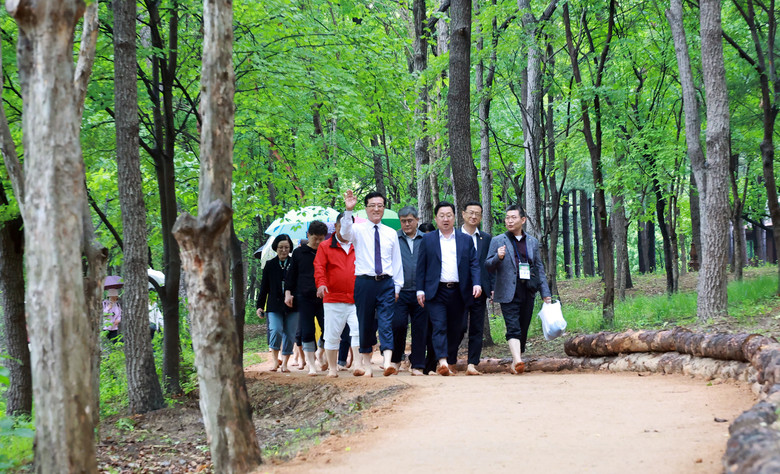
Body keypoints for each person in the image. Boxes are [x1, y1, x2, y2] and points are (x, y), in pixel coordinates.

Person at [341, 190, 404, 377]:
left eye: (380, 205)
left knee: (386, 322)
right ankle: (367, 365)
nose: (376, 209)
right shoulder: (357, 229)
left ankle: (387, 362)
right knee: (365, 323)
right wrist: (348, 211)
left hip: (386, 283)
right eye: (372, 206)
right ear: (366, 208)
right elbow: (344, 233)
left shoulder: (391, 233)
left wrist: (397, 286)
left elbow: (396, 261)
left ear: (384, 208)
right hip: (364, 282)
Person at [416, 201, 481, 376]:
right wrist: (420, 290)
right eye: (442, 216)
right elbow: (421, 267)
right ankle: (442, 361)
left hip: (459, 291)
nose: (445, 219)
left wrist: (476, 283)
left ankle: (450, 360)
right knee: (439, 326)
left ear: (454, 217)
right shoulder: (428, 240)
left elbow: (474, 264)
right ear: (436, 218)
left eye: (449, 215)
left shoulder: (465, 239)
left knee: (458, 328)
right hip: (436, 291)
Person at [486, 205, 552, 374]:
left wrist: (545, 293)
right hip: (507, 290)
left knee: (523, 327)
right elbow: (488, 265)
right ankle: (518, 360)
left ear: (522, 220)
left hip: (527, 289)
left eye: (513, 217)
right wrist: (498, 257)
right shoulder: (498, 240)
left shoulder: (532, 242)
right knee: (513, 326)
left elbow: (539, 268)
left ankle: (516, 360)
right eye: (507, 217)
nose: (509, 221)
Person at [313, 213, 363, 378]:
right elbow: (319, 267)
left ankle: (358, 364)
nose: (345, 230)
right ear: (336, 226)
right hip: (333, 298)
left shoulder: (359, 244)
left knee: (357, 330)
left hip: (356, 297)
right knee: (332, 335)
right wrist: (321, 284)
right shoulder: (325, 246)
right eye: (341, 226)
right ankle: (333, 368)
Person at [285, 221, 328, 376]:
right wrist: (288, 293)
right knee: (307, 330)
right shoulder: (299, 253)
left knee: (329, 329)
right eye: (315, 238)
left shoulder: (326, 251)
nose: (317, 242)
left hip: (324, 297)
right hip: (304, 296)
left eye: (321, 239)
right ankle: (311, 365)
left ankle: (320, 352)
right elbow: (291, 275)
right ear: (308, 235)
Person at [457, 201, 493, 375]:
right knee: (459, 327)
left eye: (477, 214)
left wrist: (491, 286)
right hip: (458, 290)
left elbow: (490, 264)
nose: (473, 216)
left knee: (477, 328)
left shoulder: (486, 238)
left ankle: (472, 363)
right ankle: (449, 360)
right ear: (463, 214)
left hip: (480, 290)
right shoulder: (454, 236)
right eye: (470, 212)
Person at [390, 206, 427, 376]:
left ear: (417, 220)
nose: (407, 224)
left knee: (420, 328)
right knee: (398, 325)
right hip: (399, 290)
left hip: (420, 291)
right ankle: (396, 360)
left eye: (410, 220)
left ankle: (417, 364)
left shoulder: (426, 239)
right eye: (403, 221)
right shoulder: (394, 238)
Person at [257, 234, 298, 373]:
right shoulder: (270, 265)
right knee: (275, 330)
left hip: (293, 305)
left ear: (290, 248)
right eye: (281, 247)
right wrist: (260, 306)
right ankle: (275, 361)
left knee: (290, 334)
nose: (284, 250)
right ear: (276, 248)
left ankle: (285, 363)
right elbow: (264, 288)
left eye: (286, 247)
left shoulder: (294, 264)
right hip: (274, 305)